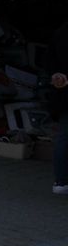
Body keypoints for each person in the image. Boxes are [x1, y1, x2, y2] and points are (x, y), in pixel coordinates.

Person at [48, 20, 68, 195]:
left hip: (63, 92)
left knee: (63, 137)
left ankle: (61, 181)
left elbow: (51, 63)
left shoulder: (60, 32)